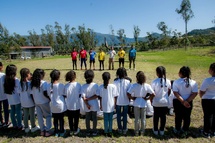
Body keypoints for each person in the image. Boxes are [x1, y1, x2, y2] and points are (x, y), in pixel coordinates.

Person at [172, 66, 198, 137]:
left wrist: (183, 101)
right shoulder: (193, 82)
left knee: (178, 116)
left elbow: (175, 93)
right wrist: (187, 101)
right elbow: (195, 93)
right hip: (188, 102)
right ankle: (185, 129)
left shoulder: (176, 82)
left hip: (178, 101)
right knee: (187, 116)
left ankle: (177, 129)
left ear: (180, 73)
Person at [127, 71, 155, 136]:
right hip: (143, 102)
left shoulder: (134, 85)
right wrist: (147, 98)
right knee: (143, 119)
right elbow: (153, 94)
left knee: (137, 119)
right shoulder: (147, 85)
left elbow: (128, 93)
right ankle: (142, 131)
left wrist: (133, 98)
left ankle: (136, 131)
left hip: (136, 102)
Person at [31, 69, 52, 137]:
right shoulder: (44, 83)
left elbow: (31, 94)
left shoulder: (32, 83)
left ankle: (42, 130)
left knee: (39, 116)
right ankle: (48, 130)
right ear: (41, 76)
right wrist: (49, 98)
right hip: (44, 102)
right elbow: (45, 93)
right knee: (48, 115)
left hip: (37, 102)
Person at [151, 66, 171, 136]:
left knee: (156, 116)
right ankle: (162, 130)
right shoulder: (168, 81)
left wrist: (151, 100)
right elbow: (169, 91)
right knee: (163, 116)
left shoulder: (154, 81)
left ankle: (155, 130)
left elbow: (152, 93)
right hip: (165, 102)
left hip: (156, 102)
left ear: (157, 73)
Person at [97, 72, 118, 137]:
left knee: (105, 119)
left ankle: (106, 131)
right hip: (111, 105)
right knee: (110, 119)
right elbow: (115, 96)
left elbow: (100, 97)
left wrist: (100, 105)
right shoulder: (113, 86)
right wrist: (115, 104)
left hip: (104, 105)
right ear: (110, 78)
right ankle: (110, 131)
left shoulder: (100, 87)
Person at [19, 68, 40, 133]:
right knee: (32, 115)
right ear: (27, 75)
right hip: (30, 102)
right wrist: (34, 101)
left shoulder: (19, 83)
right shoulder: (29, 84)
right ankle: (33, 127)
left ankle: (26, 128)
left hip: (23, 102)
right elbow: (32, 94)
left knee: (25, 115)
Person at [47, 69, 67, 137]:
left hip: (53, 105)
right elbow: (64, 94)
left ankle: (56, 131)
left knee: (55, 119)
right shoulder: (61, 85)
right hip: (60, 105)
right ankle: (61, 131)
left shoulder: (48, 85)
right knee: (61, 119)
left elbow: (48, 95)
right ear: (58, 77)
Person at [4, 64, 22, 129]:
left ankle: (14, 124)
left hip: (10, 98)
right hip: (17, 98)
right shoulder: (16, 80)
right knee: (18, 111)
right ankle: (19, 124)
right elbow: (19, 90)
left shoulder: (5, 79)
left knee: (12, 111)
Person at [113, 67, 131, 135]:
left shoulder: (115, 82)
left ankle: (120, 128)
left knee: (118, 115)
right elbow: (129, 93)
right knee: (125, 115)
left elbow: (114, 93)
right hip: (125, 101)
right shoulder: (128, 82)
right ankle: (124, 128)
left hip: (118, 101)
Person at [199, 63, 215, 138]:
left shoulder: (208, 80)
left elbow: (202, 91)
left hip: (208, 100)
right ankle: (213, 131)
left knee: (208, 116)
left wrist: (201, 96)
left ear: (212, 71)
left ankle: (206, 132)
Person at [81, 70, 99, 136]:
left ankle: (88, 131)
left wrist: (87, 104)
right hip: (94, 103)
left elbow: (83, 97)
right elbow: (96, 95)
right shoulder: (96, 85)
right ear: (93, 77)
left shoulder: (83, 86)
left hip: (86, 104)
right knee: (94, 118)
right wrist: (90, 99)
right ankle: (94, 131)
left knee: (87, 118)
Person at [64, 70, 81, 136]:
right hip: (76, 105)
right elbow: (80, 94)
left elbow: (65, 95)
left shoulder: (66, 86)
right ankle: (76, 129)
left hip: (69, 105)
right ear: (75, 76)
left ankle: (71, 130)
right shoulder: (78, 85)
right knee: (76, 118)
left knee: (70, 118)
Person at [0, 62, 10, 128]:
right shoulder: (3, 75)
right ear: (0, 67)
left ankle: (1, 121)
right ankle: (6, 121)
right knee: (6, 109)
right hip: (5, 95)